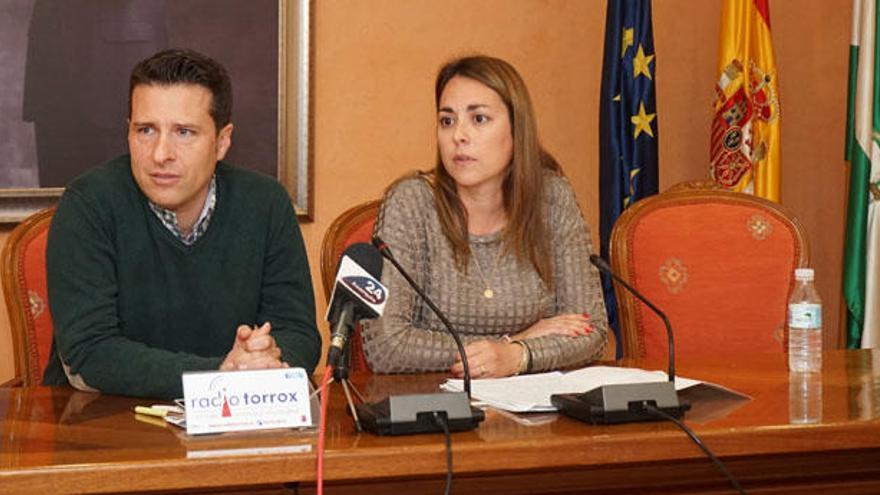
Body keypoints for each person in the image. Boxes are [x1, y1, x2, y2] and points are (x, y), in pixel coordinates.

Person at [43, 49, 321, 398]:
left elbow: (299, 334)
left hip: (235, 424)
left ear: (222, 142)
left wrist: (262, 362)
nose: (161, 154)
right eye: (145, 130)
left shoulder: (265, 203)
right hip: (102, 425)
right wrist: (222, 375)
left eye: (184, 132)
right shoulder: (88, 205)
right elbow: (90, 352)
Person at [362, 55, 608, 378]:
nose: (458, 136)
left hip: (534, 410)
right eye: (447, 121)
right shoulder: (411, 204)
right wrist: (511, 345)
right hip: (435, 409)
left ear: (517, 128)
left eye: (478, 119)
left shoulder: (551, 198)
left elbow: (590, 331)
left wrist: (516, 357)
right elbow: (386, 347)